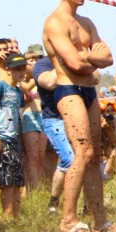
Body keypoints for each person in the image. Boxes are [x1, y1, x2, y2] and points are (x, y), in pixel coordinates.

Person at [42, 0, 116, 232]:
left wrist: (88, 59)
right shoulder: (55, 23)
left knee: (94, 156)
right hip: (68, 90)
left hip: (89, 91)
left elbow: (108, 58)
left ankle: (100, 220)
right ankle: (68, 219)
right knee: (83, 153)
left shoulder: (86, 22)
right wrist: (92, 58)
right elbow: (74, 63)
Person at [0, 52, 29, 218]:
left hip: (14, 139)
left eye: (23, 68)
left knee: (17, 179)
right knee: (6, 179)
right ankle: (7, 216)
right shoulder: (0, 87)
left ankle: (15, 215)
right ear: (8, 69)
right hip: (0, 137)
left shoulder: (18, 92)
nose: (21, 72)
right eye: (17, 69)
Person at [32, 48, 71, 212]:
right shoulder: (42, 64)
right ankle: (54, 202)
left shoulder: (75, 59)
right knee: (69, 159)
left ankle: (84, 205)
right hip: (54, 119)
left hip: (76, 117)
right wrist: (63, 62)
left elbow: (95, 78)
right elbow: (50, 83)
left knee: (84, 160)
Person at [20, 44, 48, 192]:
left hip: (44, 115)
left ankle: (37, 189)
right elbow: (25, 88)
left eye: (37, 58)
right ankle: (36, 191)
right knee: (32, 157)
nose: (34, 61)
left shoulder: (45, 73)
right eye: (30, 59)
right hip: (29, 115)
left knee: (41, 156)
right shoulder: (22, 76)